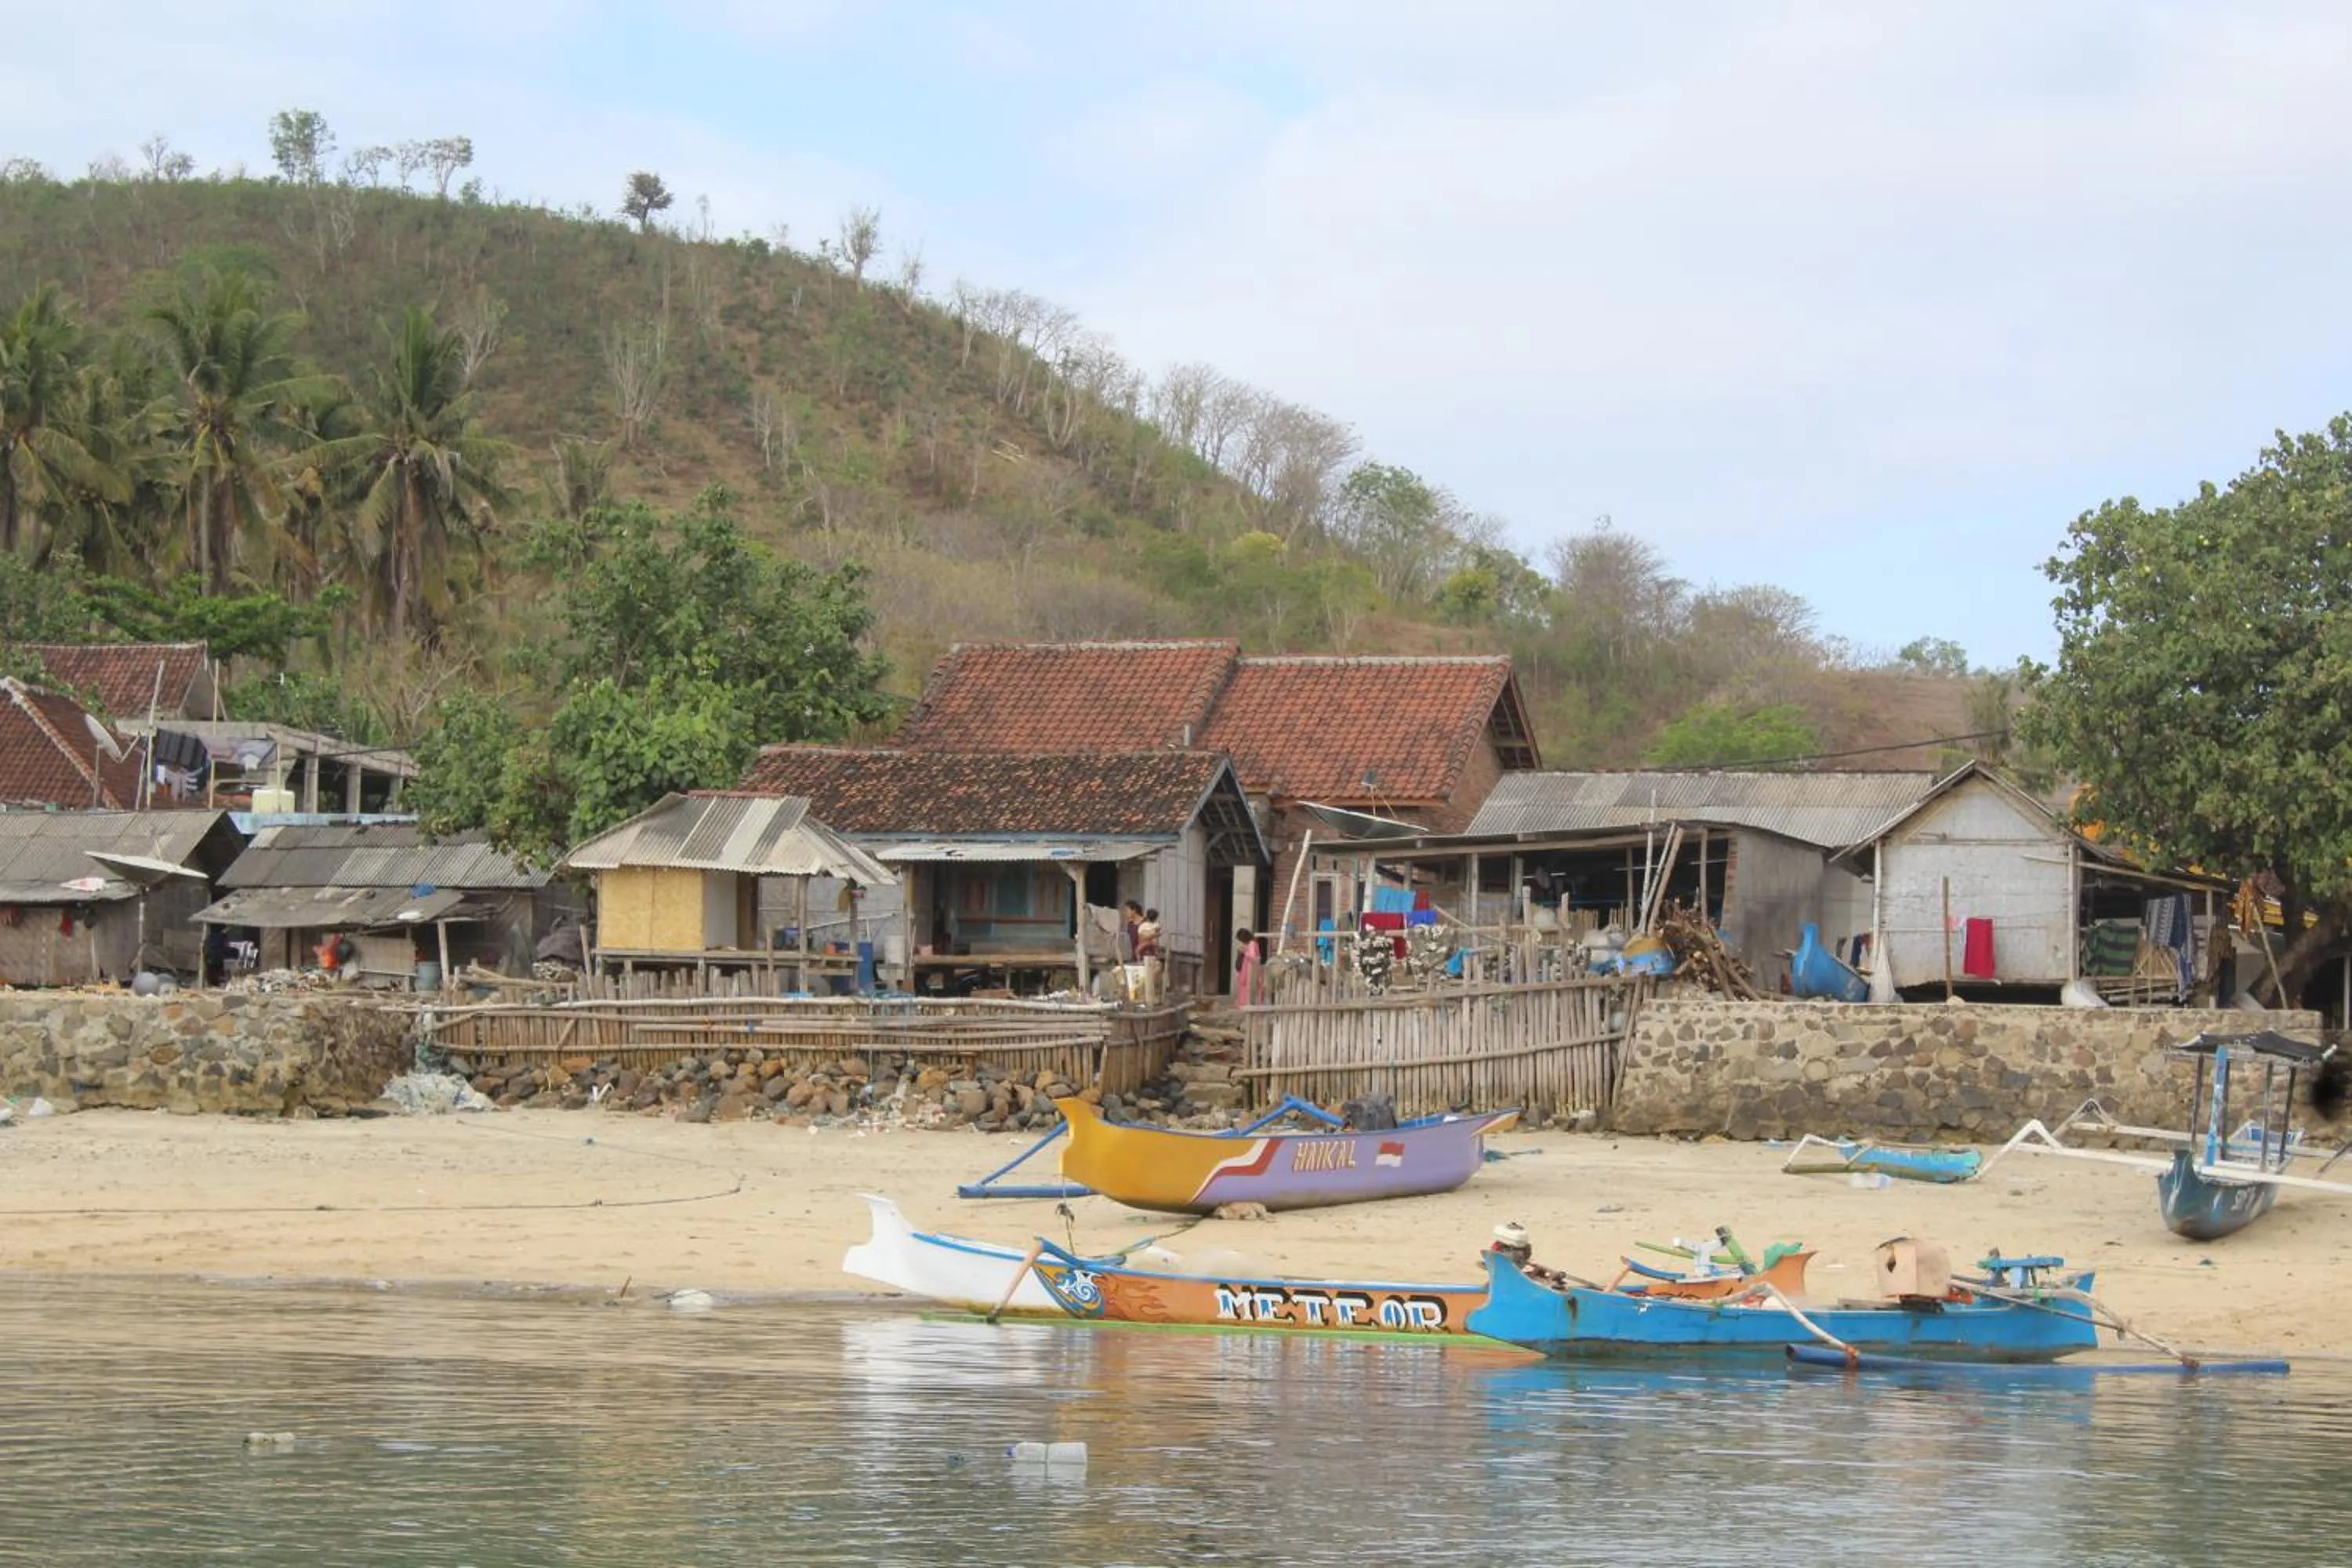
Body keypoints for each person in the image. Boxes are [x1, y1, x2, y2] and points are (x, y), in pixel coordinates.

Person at [1490, 1221, 1570, 1290]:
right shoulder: (1516, 1253)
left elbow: (1527, 1265)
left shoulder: (1516, 1251)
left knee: (1536, 1269)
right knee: (1533, 1272)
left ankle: (1552, 1278)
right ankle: (1551, 1282)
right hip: (1517, 1276)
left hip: (1518, 1271)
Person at [1234, 926, 1261, 1004]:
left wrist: (1244, 952)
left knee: (1248, 985)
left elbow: (1253, 956)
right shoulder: (1252, 943)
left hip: (1250, 968)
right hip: (1247, 967)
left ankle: (1247, 1002)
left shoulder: (1252, 944)